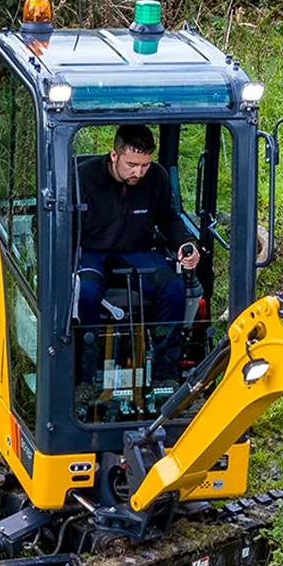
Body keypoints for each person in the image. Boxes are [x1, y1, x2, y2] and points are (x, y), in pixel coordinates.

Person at [75, 124, 200, 383]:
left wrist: (185, 244)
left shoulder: (157, 177)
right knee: (84, 294)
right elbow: (58, 224)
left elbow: (169, 218)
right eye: (132, 165)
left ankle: (165, 376)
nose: (138, 173)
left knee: (174, 287)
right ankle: (83, 377)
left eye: (144, 165)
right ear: (114, 155)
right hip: (91, 252)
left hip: (138, 251)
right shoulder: (83, 177)